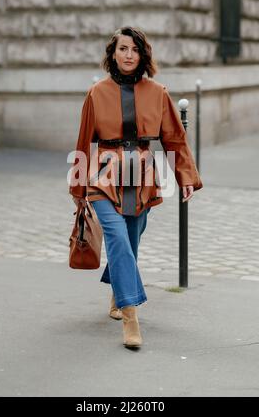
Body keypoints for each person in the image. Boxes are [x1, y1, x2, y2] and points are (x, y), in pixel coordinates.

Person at [69, 26, 203, 349]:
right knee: (116, 234)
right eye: (122, 49)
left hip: (142, 175)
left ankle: (117, 291)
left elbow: (175, 138)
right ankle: (130, 315)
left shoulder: (158, 92)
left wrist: (185, 177)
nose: (128, 55)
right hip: (104, 174)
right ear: (112, 54)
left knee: (130, 237)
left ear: (143, 55)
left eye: (134, 50)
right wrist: (79, 189)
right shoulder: (96, 93)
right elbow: (84, 140)